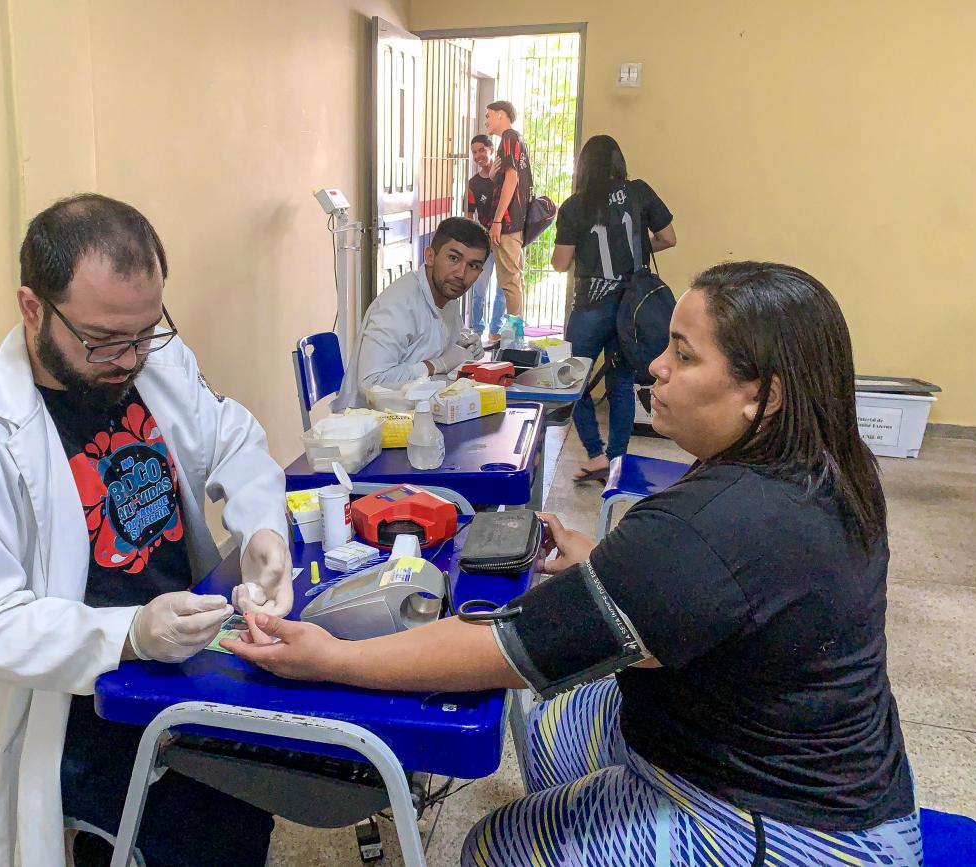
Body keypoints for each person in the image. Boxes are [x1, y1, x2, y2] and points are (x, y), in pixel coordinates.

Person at [227, 261, 923, 867]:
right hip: (813, 762)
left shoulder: (711, 525)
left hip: (795, 827)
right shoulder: (825, 470)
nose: (656, 366)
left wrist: (330, 658)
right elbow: (730, 597)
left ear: (762, 394)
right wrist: (607, 568)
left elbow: (502, 647)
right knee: (545, 729)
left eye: (683, 355)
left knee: (493, 844)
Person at [0, 194, 291, 867]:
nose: (129, 358)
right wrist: (130, 633)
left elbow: (234, 439)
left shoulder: (151, 360)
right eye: (103, 341)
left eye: (145, 332)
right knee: (213, 822)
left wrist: (262, 528)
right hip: (71, 701)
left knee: (287, 754)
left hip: (182, 656)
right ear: (32, 309)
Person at [552, 134, 677, 483]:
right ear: (618, 163)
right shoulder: (638, 192)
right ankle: (617, 458)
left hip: (591, 306)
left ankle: (594, 453)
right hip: (633, 308)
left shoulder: (575, 206)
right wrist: (635, 246)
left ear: (584, 168)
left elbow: (560, 263)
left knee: (571, 381)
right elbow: (668, 237)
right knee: (621, 383)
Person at [333, 216, 489, 409]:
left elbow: (434, 338)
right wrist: (438, 364)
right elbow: (372, 382)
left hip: (421, 415)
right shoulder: (398, 305)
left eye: (473, 265)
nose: (461, 273)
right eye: (453, 258)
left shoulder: (448, 299)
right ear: (430, 256)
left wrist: (464, 342)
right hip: (372, 425)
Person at [484, 100, 532, 318]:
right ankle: (515, 331)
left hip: (509, 222)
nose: (486, 121)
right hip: (514, 220)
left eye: (488, 116)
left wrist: (497, 221)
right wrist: (494, 176)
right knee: (514, 279)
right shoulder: (517, 139)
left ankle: (515, 335)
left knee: (510, 281)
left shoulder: (509, 138)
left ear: (501, 115)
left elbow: (512, 179)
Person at [465, 133, 504, 344]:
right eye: (474, 152)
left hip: (504, 240)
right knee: (479, 287)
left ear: (491, 149)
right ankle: (477, 329)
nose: (478, 155)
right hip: (484, 243)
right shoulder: (473, 183)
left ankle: (495, 330)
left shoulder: (503, 178)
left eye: (481, 150)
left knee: (502, 289)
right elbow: (469, 215)